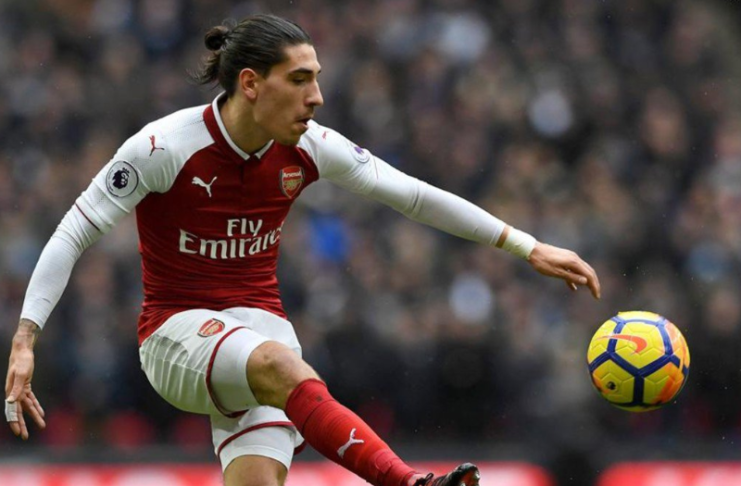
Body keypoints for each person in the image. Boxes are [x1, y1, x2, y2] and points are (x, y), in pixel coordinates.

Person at [4, 14, 600, 486]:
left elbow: (414, 196)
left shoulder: (311, 146)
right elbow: (72, 233)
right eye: (299, 80)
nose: (316, 97)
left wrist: (526, 247)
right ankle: (406, 482)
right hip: (174, 334)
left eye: (316, 78)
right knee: (282, 366)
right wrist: (26, 339)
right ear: (250, 83)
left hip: (259, 326)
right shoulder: (163, 147)